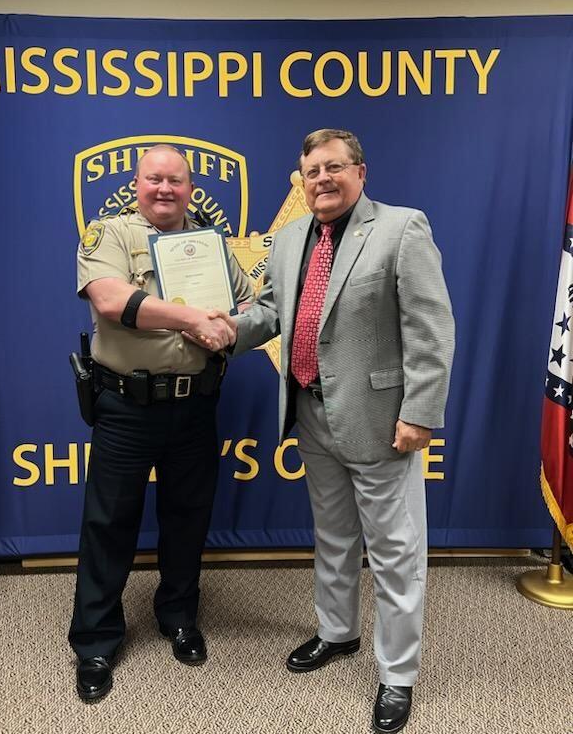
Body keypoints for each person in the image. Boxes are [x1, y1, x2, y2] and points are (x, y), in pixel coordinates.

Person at [208, 129, 454, 733]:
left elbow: (431, 329)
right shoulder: (291, 239)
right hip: (311, 412)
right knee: (335, 537)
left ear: (360, 173)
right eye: (311, 170)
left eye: (334, 167)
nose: (322, 178)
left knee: (395, 553)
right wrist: (226, 330)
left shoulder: (401, 228)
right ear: (301, 179)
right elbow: (270, 310)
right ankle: (338, 632)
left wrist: (419, 412)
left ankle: (398, 674)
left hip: (379, 420)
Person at [69, 144, 251, 703]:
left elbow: (247, 305)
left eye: (175, 180)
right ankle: (96, 640)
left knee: (188, 517)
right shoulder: (109, 235)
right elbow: (108, 299)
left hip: (196, 404)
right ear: (138, 184)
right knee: (110, 523)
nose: (165, 189)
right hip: (127, 406)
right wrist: (194, 317)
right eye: (154, 179)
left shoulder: (212, 245)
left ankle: (178, 616)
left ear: (190, 188)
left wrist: (231, 327)